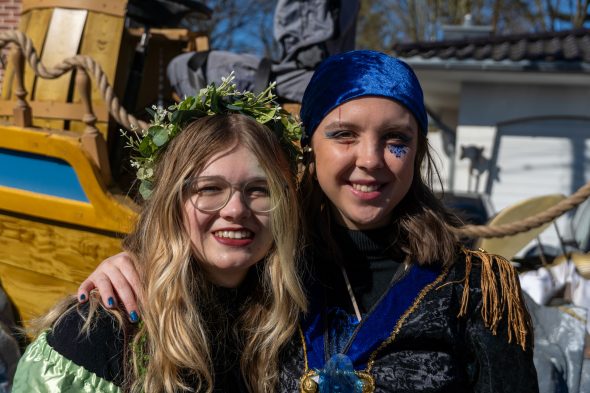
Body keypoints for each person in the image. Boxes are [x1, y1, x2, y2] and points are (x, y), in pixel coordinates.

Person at [75, 50, 539, 392]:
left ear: (417, 153)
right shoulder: (267, 268)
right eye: (343, 135)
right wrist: (131, 264)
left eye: (396, 138)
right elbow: (186, 273)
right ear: (309, 149)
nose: (371, 159)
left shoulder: (474, 289)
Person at [12, 79, 306, 393]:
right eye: (209, 188)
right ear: (171, 203)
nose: (235, 209)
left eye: (259, 190)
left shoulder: (295, 322)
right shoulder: (104, 333)